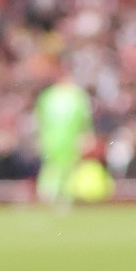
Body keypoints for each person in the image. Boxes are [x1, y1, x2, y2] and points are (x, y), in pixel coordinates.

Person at [34, 71, 93, 205]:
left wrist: (86, 135)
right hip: (54, 138)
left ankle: (62, 196)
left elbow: (84, 119)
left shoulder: (76, 96)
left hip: (66, 139)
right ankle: (49, 195)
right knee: (54, 167)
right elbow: (39, 119)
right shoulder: (50, 96)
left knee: (66, 167)